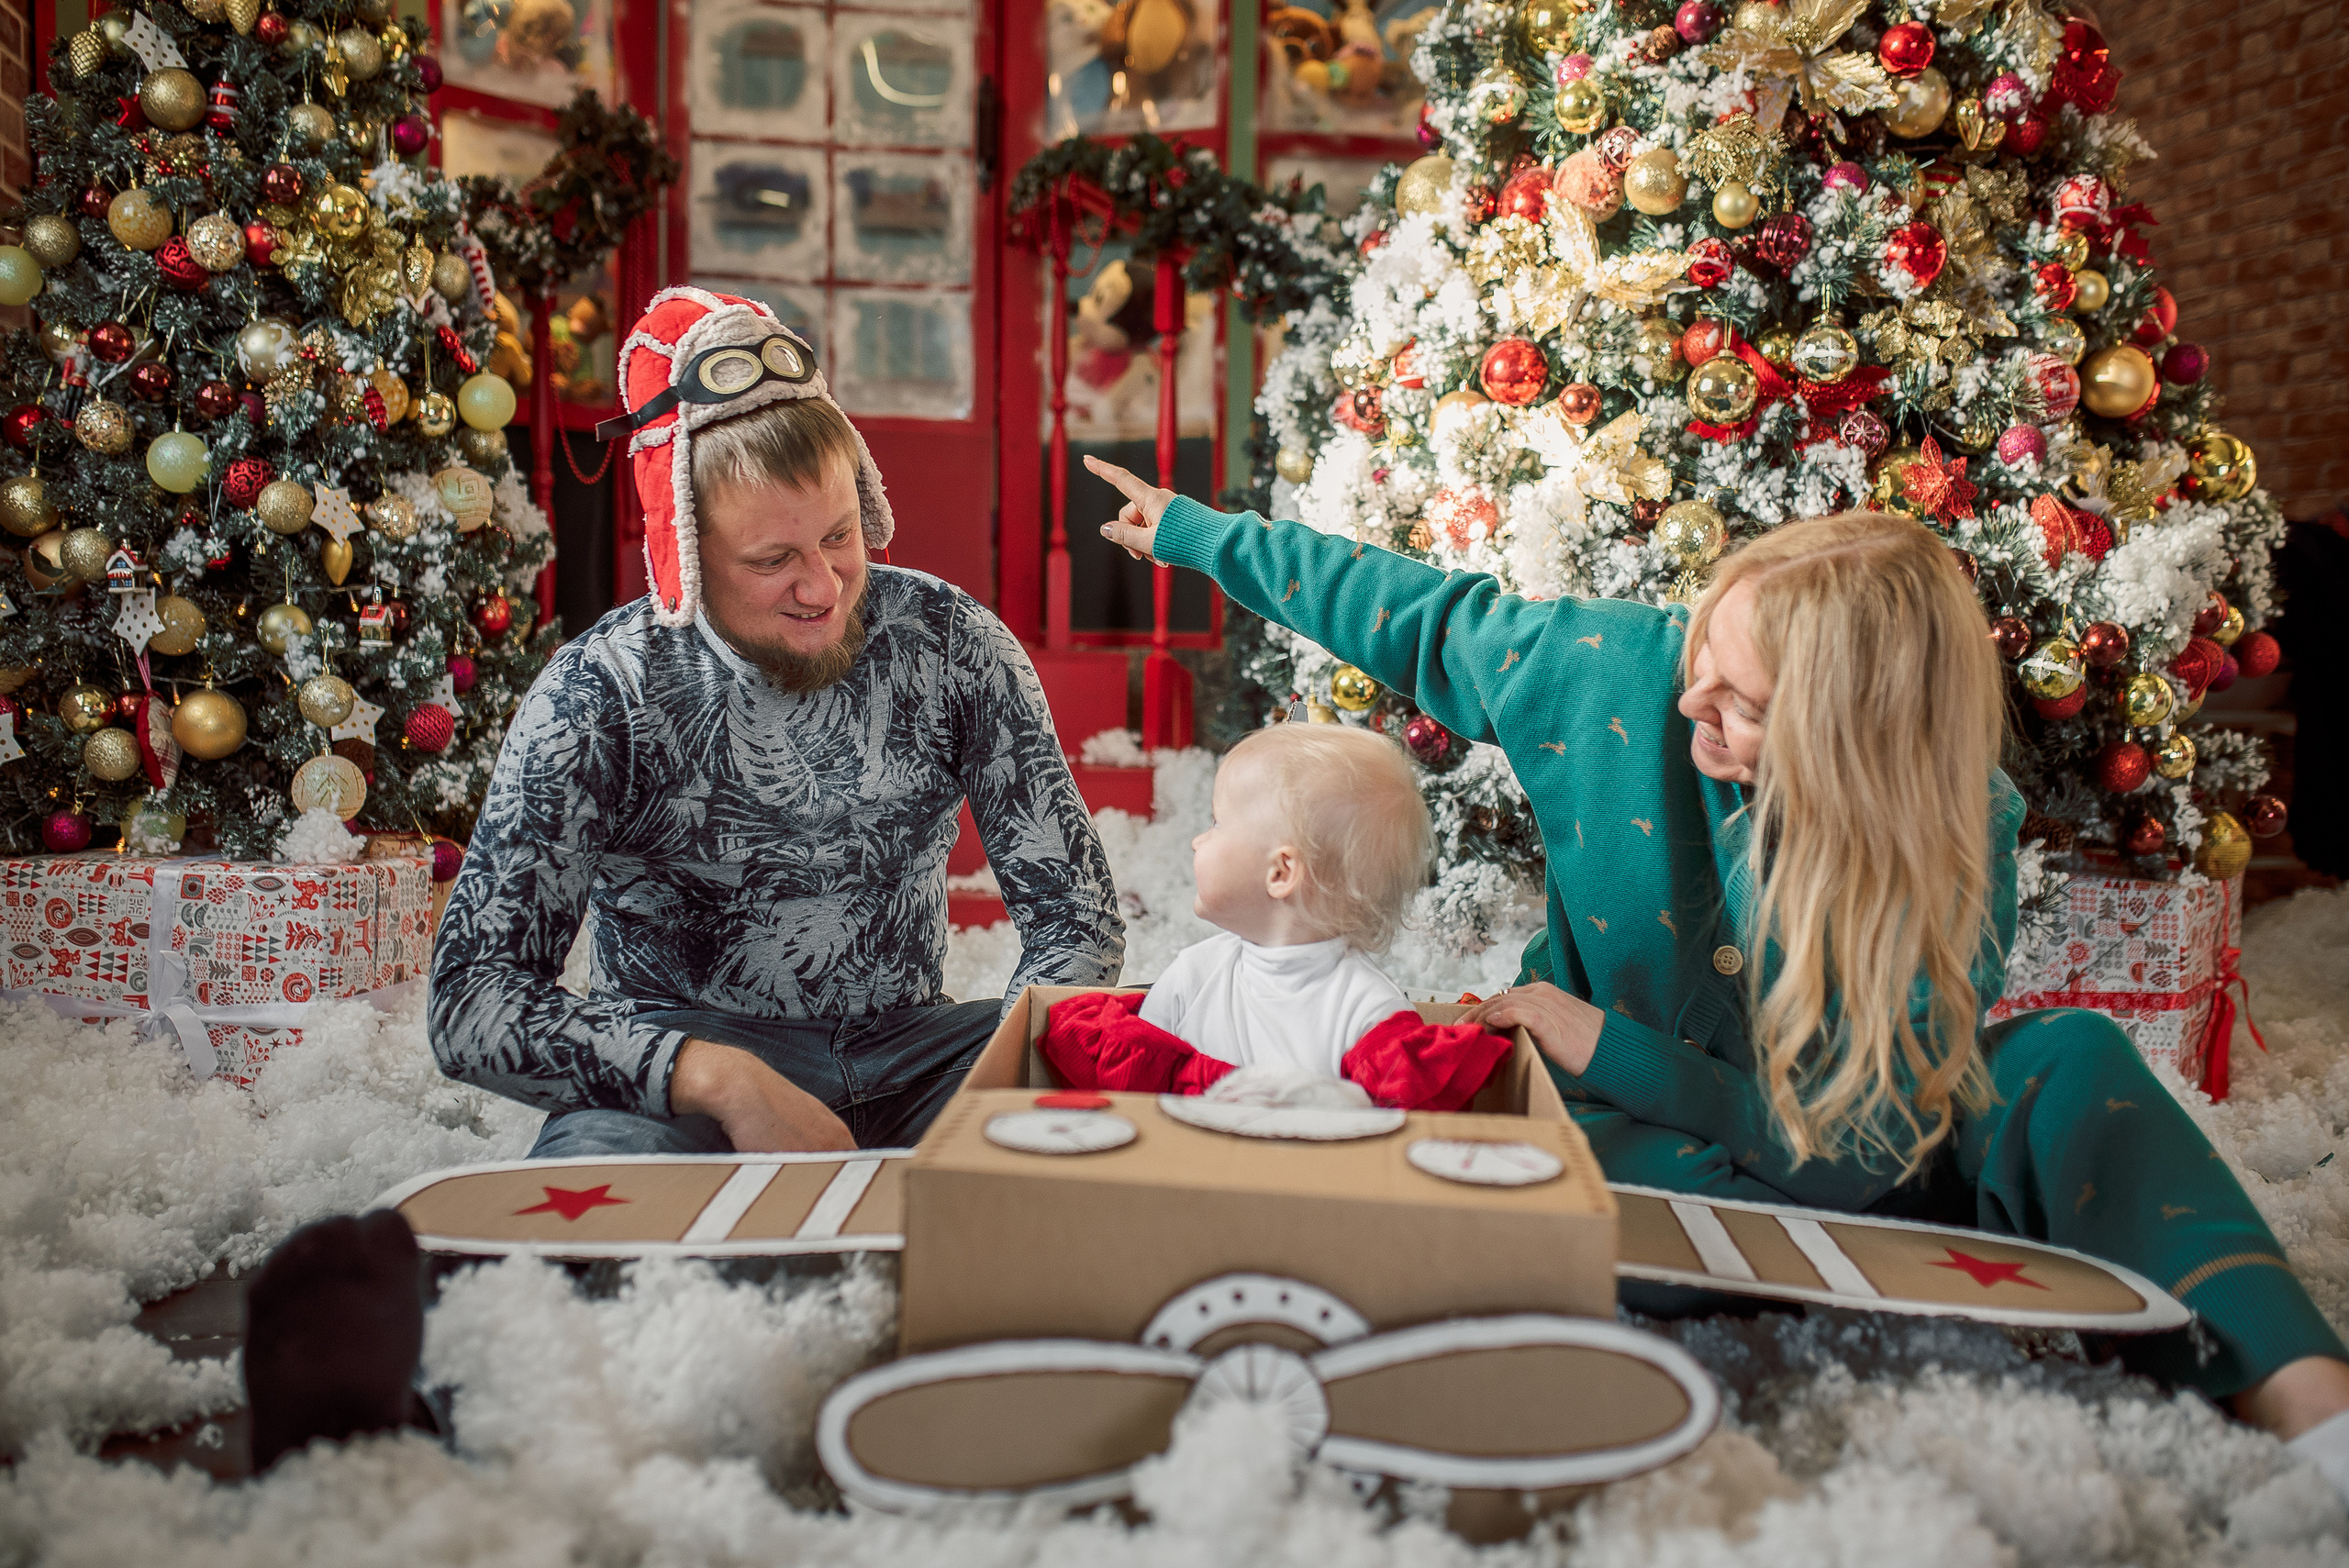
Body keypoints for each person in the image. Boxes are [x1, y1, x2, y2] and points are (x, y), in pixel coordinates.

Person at [1087, 457, 2349, 1487]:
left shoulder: (1961, 825)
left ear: (1849, 734)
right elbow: (1416, 612)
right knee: (1521, 1170)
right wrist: (1200, 534)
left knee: (2073, 1062)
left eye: (1738, 701)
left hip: (1848, 1151)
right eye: (1701, 658)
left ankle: (2302, 1394)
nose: (1694, 701)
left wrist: (1598, 1037)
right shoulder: (1610, 675)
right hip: (1624, 1134)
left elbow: (1863, 1150)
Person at [426, 289, 1124, 1157]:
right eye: (772, 560)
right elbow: (471, 999)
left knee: (1145, 1080)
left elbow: (1076, 921)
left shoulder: (952, 642)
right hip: (679, 1069)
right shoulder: (597, 692)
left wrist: (991, 1104)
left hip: (920, 1056)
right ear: (684, 549)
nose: (825, 588)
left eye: (839, 537)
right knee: (611, 1214)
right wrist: (714, 1077)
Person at [1039, 721, 1512, 1108]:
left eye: (1218, 823)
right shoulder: (1194, 975)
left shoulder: (1365, 1007)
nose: (1197, 840)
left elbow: (1386, 1137)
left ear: (1281, 871)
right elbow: (1134, 1094)